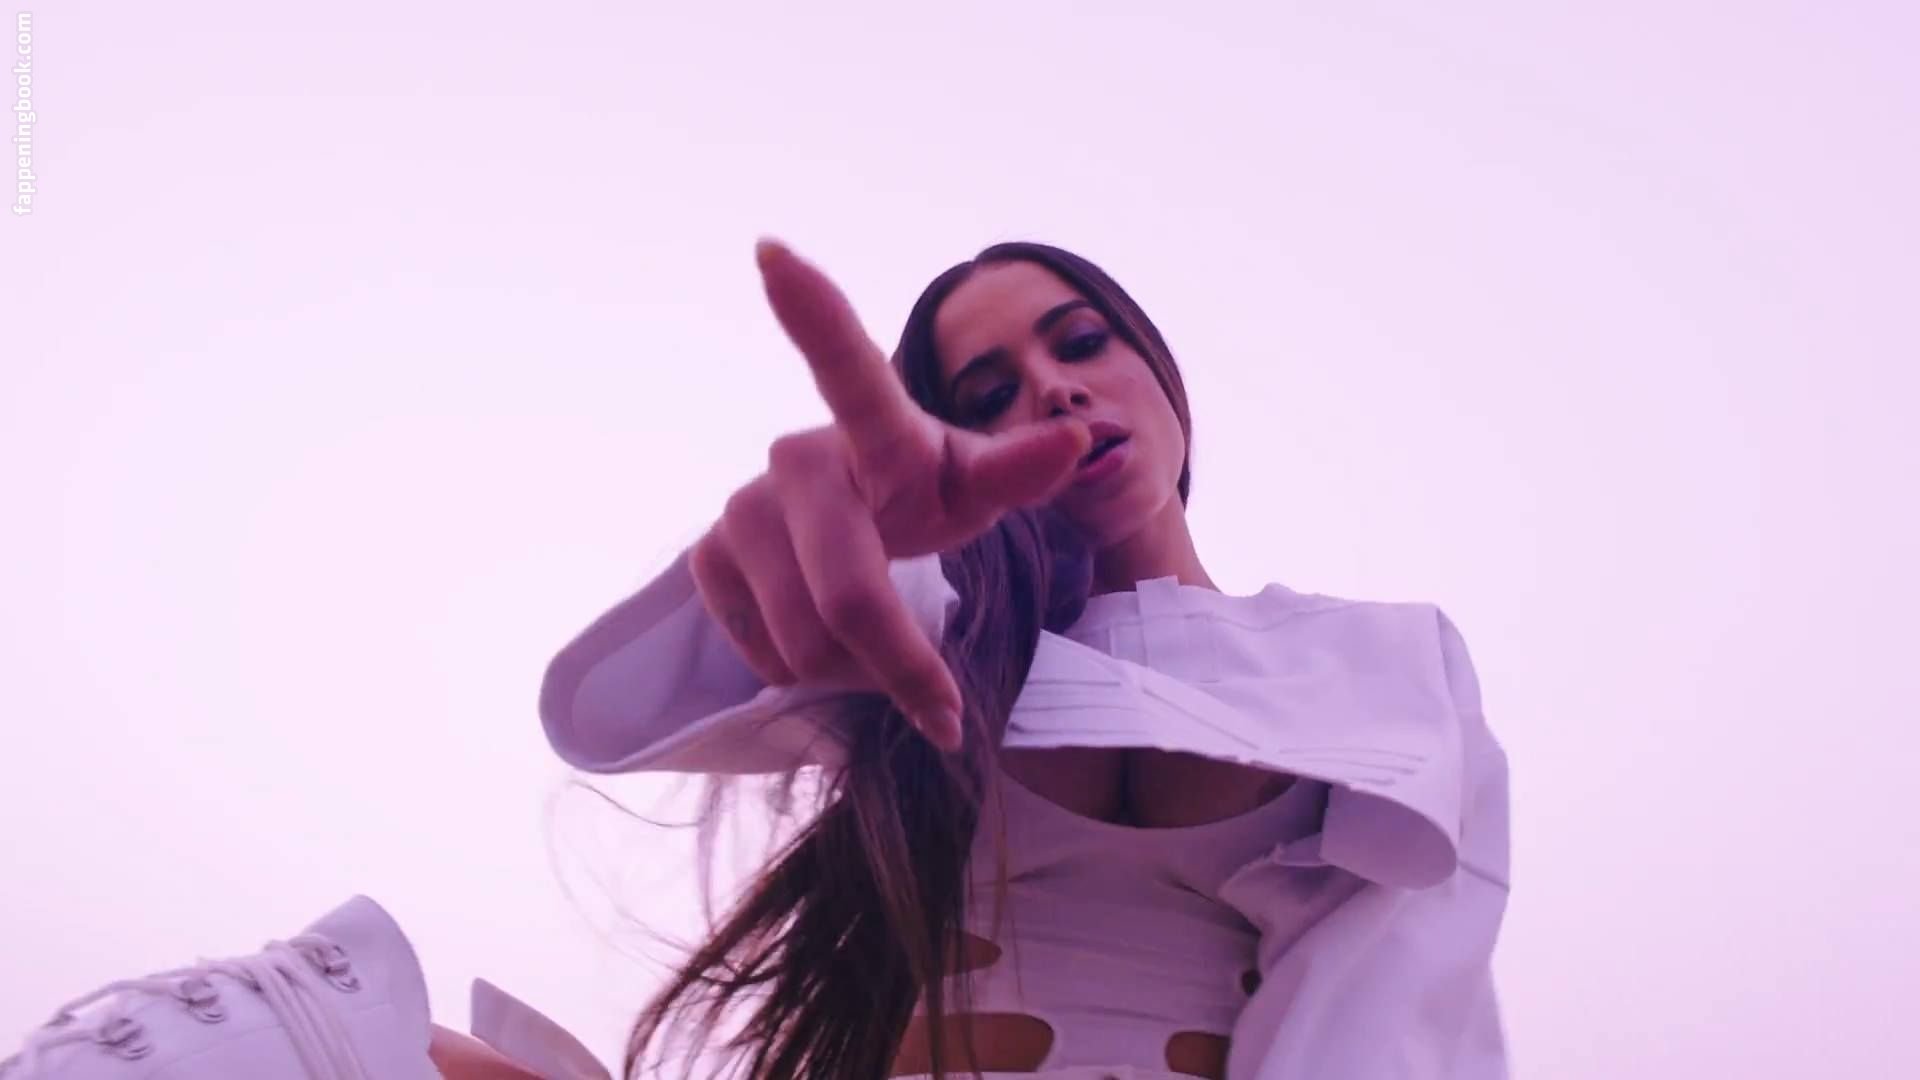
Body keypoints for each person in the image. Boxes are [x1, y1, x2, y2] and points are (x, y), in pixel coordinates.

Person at [536, 239, 1513, 1079]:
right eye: (990, 395)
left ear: (1163, 376)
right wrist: (835, 539)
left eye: (1081, 342)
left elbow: (1397, 1002)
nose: (1054, 388)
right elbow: (616, 708)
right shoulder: (943, 638)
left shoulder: (1383, 660)